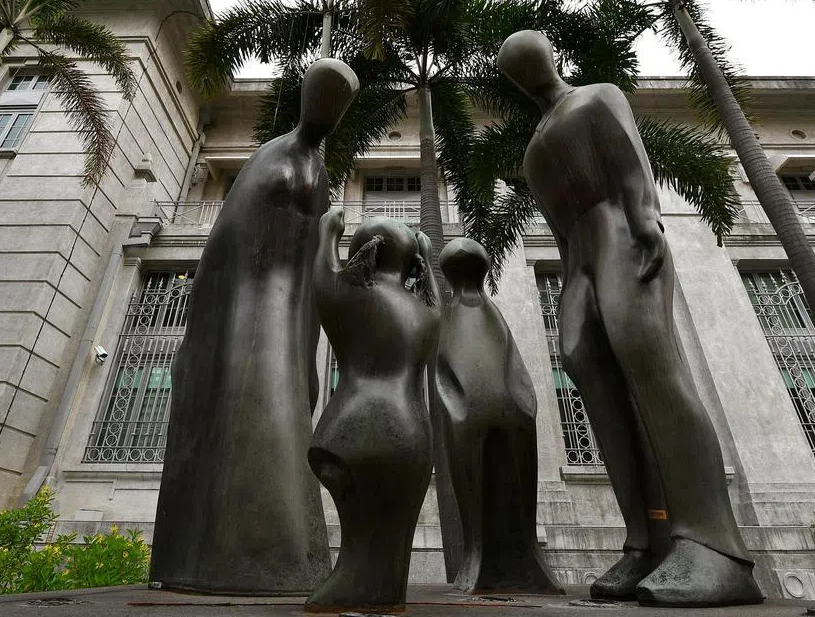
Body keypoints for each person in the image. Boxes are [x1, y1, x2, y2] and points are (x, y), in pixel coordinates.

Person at [498, 30, 762, 606]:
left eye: (530, 55)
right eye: (513, 67)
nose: (526, 69)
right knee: (592, 376)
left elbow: (629, 163)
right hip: (579, 261)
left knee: (656, 373)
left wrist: (646, 222)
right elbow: (556, 223)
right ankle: (645, 542)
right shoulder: (533, 149)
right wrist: (573, 282)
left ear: (549, 54)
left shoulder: (598, 96)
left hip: (623, 236)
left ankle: (713, 547)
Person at [151, 58, 358, 595]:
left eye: (340, 103)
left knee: (284, 418)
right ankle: (240, 558)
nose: (329, 111)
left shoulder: (320, 168)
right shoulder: (273, 155)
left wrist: (332, 271)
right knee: (257, 414)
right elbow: (230, 237)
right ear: (308, 99)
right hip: (251, 303)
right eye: (324, 96)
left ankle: (287, 558)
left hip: (286, 313)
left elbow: (312, 250)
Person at [307, 211, 439, 611]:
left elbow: (323, 273)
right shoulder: (425, 313)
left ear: (363, 251)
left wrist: (329, 231)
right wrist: (428, 263)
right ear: (409, 262)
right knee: (392, 534)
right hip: (413, 434)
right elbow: (436, 300)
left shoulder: (348, 296)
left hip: (354, 427)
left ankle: (354, 587)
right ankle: (385, 591)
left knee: (359, 527)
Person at [436, 238, 563, 595]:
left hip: (504, 410)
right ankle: (479, 557)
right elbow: (445, 362)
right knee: (475, 479)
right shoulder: (457, 312)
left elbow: (511, 361)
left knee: (513, 481)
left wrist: (524, 403)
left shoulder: (477, 312)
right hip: (470, 411)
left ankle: (520, 559)